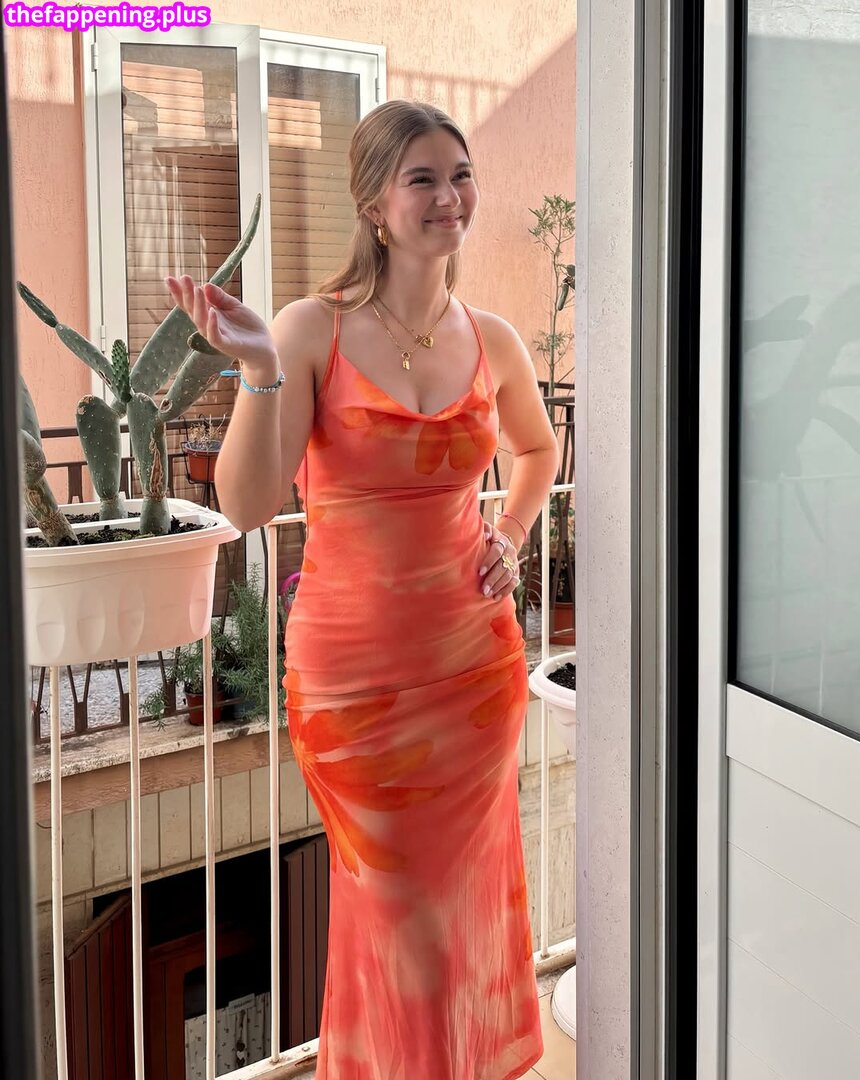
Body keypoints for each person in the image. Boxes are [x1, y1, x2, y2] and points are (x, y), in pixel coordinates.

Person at [166, 99, 560, 1080]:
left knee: (456, 910)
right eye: (422, 178)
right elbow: (248, 504)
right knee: (404, 918)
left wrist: (512, 535)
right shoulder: (311, 330)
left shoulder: (494, 339)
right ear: (376, 204)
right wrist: (258, 371)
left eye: (460, 174)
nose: (449, 196)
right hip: (355, 689)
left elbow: (537, 450)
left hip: (475, 673)